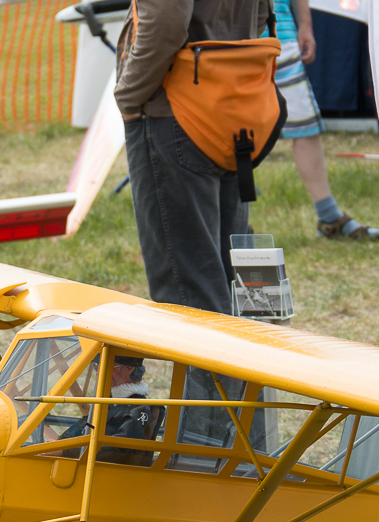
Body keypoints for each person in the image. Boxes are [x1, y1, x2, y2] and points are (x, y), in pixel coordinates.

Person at [116, 0, 272, 316]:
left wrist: (129, 95)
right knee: (237, 273)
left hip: (174, 107)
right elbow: (260, 13)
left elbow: (166, 22)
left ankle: (217, 352)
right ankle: (255, 345)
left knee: (189, 293)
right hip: (231, 98)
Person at [274, 0, 379, 240]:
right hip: (230, 37)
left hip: (281, 33)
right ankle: (233, 222)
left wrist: (305, 26)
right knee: (234, 132)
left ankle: (330, 217)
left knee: (305, 126)